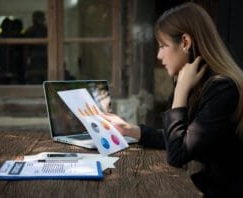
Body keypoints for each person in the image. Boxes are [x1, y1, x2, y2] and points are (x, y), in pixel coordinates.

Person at [103, 2, 243, 197]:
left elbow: (177, 154)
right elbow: (179, 137)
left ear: (185, 42)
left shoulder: (222, 89)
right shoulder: (200, 83)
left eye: (162, 46)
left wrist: (180, 93)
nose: (159, 55)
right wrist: (131, 130)